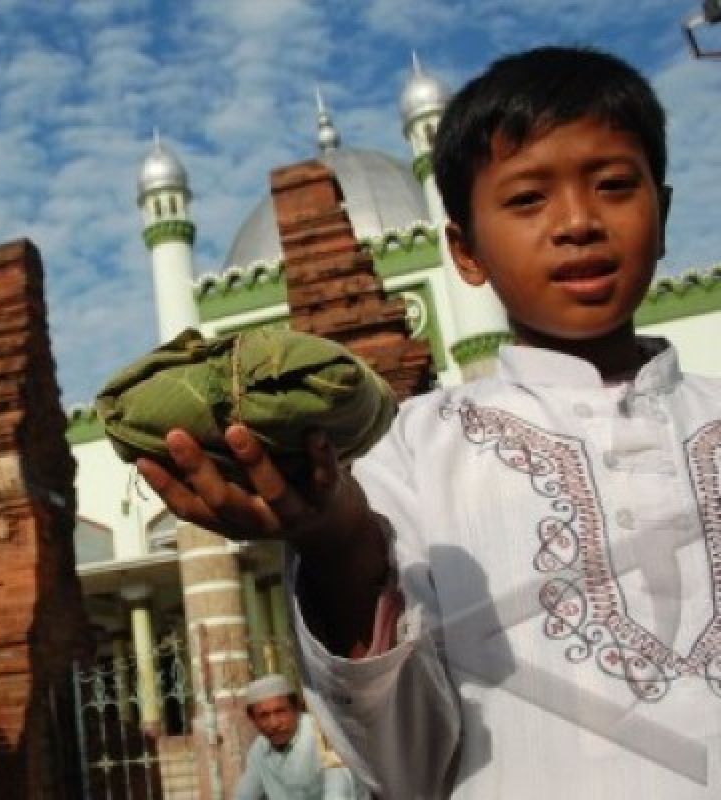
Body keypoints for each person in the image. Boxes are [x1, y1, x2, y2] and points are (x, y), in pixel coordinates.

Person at [137, 45, 721, 798]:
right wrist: (337, 545)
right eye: (527, 200)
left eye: (613, 186)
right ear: (464, 252)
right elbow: (404, 762)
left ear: (662, 213)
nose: (577, 222)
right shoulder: (411, 452)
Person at [235, 674, 368, 800]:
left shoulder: (325, 734)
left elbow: (338, 791)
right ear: (252, 719)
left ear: (297, 708)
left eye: (280, 712)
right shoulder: (259, 749)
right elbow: (244, 795)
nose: (274, 724)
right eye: (264, 716)